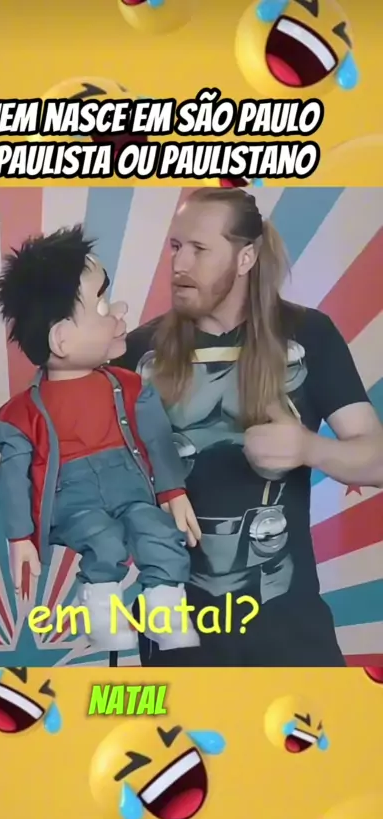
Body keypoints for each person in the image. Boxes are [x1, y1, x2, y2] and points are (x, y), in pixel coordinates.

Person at [115, 187, 383, 667]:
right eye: (176, 246)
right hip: (176, 633)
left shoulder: (309, 335)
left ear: (246, 257)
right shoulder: (137, 353)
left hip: (289, 632)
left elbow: (377, 459)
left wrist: (309, 448)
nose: (179, 264)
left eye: (199, 249)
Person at [0, 225, 202, 653]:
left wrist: (172, 490)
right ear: (61, 339)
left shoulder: (130, 386)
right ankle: (101, 614)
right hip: (74, 499)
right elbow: (13, 480)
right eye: (103, 304)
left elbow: (158, 439)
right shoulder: (19, 416)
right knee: (103, 540)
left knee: (160, 533)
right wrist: (20, 537)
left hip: (130, 488)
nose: (119, 310)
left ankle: (165, 613)